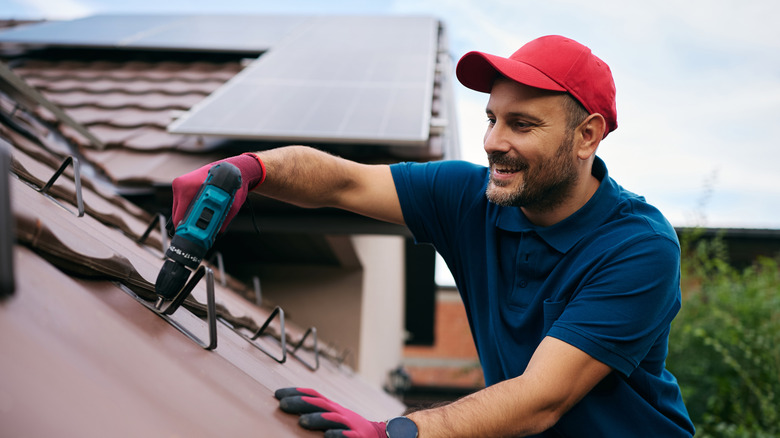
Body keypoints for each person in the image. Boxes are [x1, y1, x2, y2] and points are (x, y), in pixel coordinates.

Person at [170, 35, 695, 437]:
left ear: (587, 136)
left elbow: (541, 399)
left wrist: (397, 430)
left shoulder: (638, 246)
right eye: (491, 118)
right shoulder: (470, 196)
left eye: (522, 124)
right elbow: (344, 180)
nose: (493, 142)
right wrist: (249, 169)